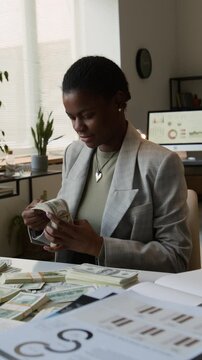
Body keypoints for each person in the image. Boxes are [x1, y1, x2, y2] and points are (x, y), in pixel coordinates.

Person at [22, 55, 192, 272]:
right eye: (71, 117)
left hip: (126, 292)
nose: (78, 126)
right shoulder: (74, 153)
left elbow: (176, 257)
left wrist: (98, 246)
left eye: (87, 115)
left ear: (118, 102)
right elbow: (68, 234)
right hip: (71, 283)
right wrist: (45, 223)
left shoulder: (160, 164)